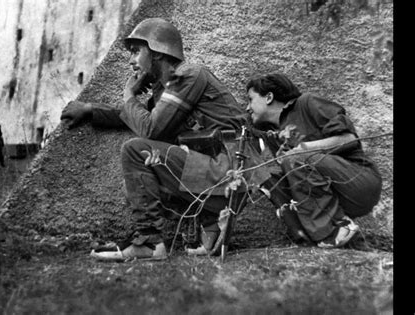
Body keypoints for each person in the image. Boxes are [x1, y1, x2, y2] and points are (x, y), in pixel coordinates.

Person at [60, 18, 271, 261]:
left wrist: (129, 94)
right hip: (219, 173)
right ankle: (211, 226)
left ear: (158, 52)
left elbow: (149, 129)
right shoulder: (168, 89)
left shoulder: (188, 76)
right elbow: (134, 116)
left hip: (231, 169)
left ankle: (150, 242)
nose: (131, 61)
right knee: (143, 179)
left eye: (136, 51)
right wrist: (90, 109)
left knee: (135, 152)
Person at [246, 72, 382, 248]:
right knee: (267, 175)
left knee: (295, 158)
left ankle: (334, 232)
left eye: (250, 99)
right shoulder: (272, 133)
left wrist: (301, 150)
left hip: (358, 181)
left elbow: (348, 139)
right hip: (333, 195)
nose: (247, 108)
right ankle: (320, 239)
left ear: (269, 97)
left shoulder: (307, 103)